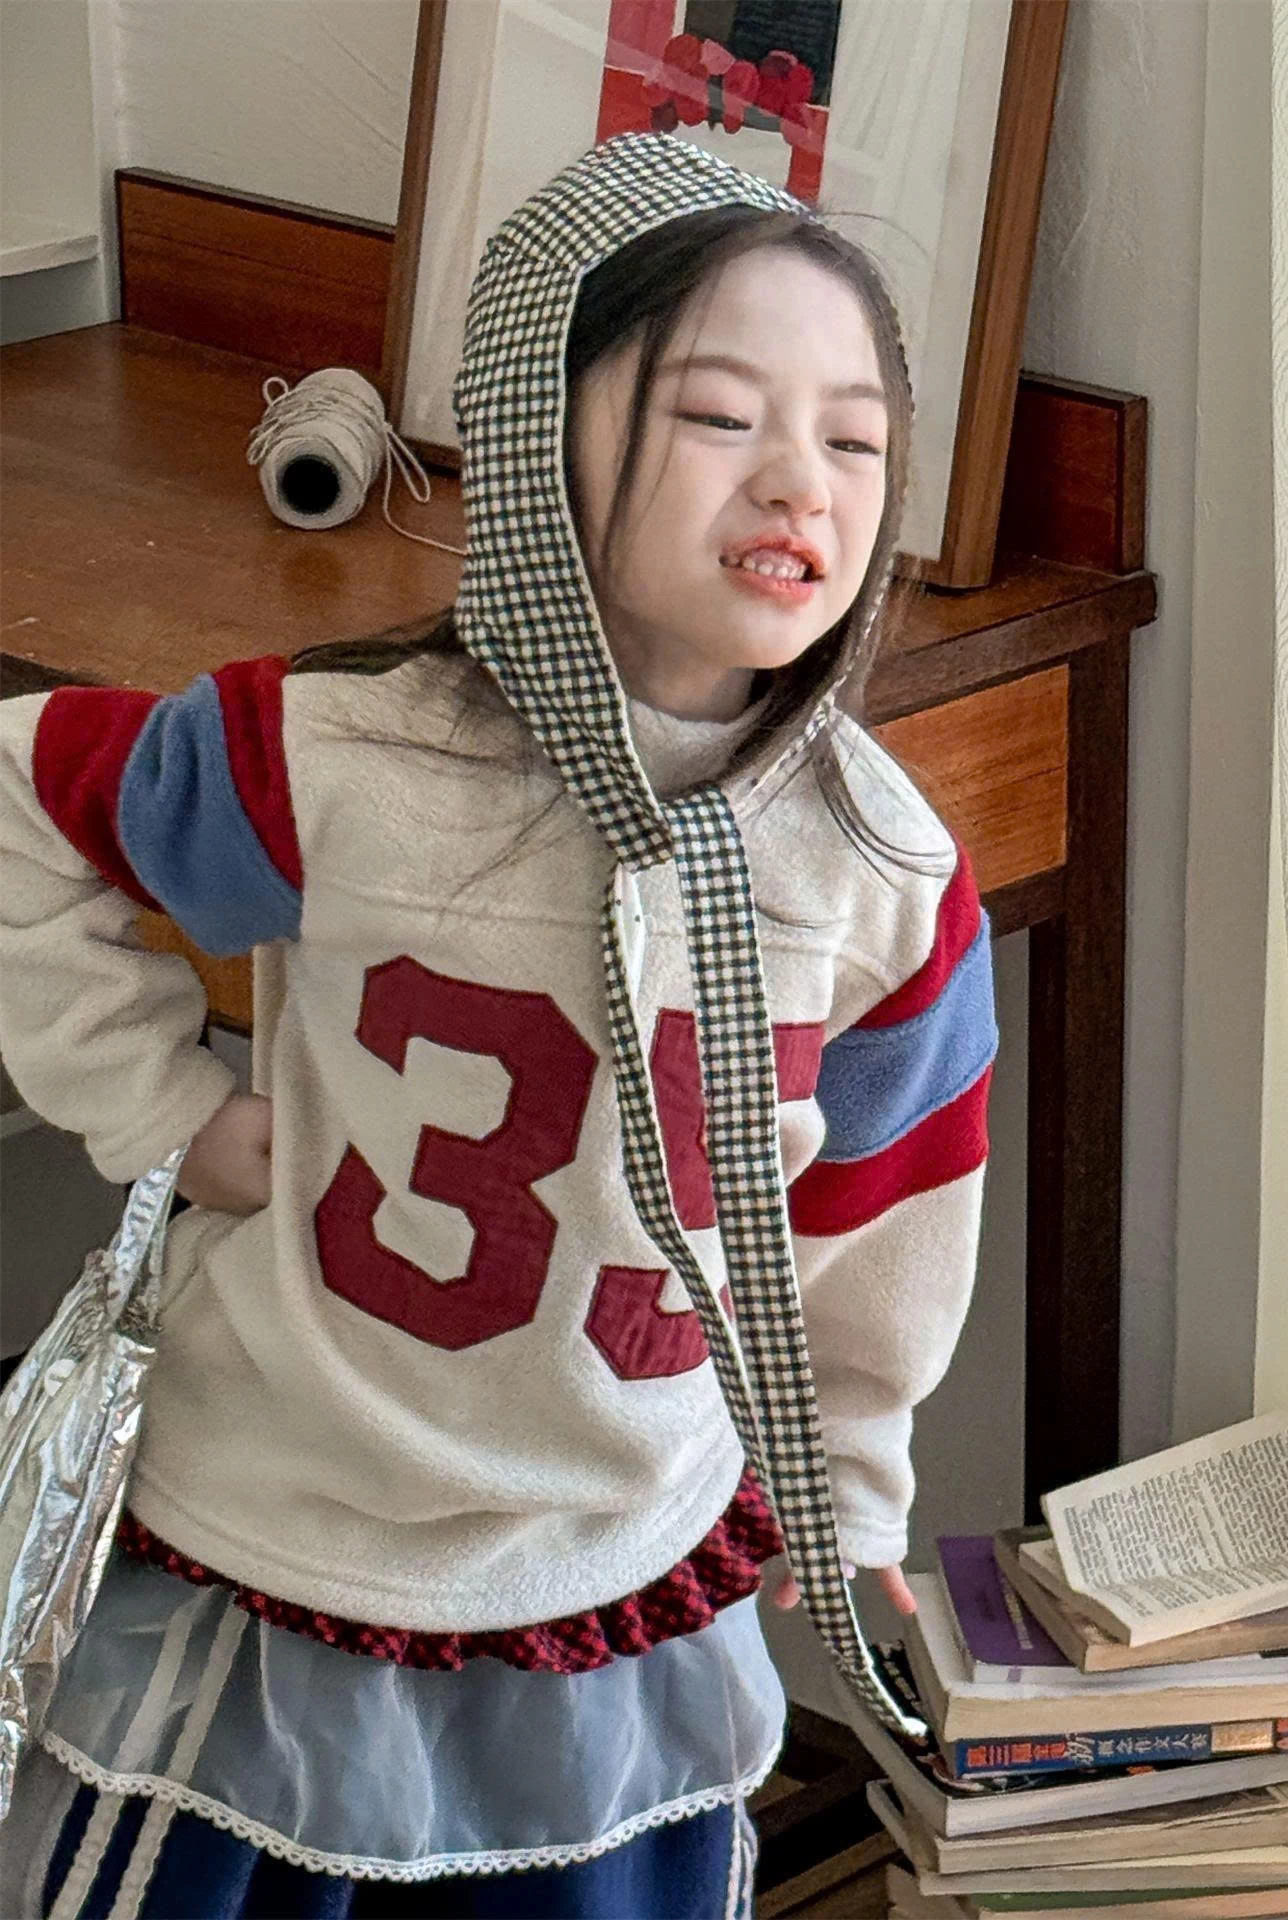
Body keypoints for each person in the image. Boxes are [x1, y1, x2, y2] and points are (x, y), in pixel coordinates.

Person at [0, 135, 995, 1917]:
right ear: (541, 440)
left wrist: (848, 1484)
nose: (800, 481)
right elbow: (23, 796)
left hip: (609, 1566)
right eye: (719, 416)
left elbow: (882, 1214)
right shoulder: (350, 760)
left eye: (855, 442)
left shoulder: (880, 876)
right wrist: (158, 1110)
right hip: (284, 1534)